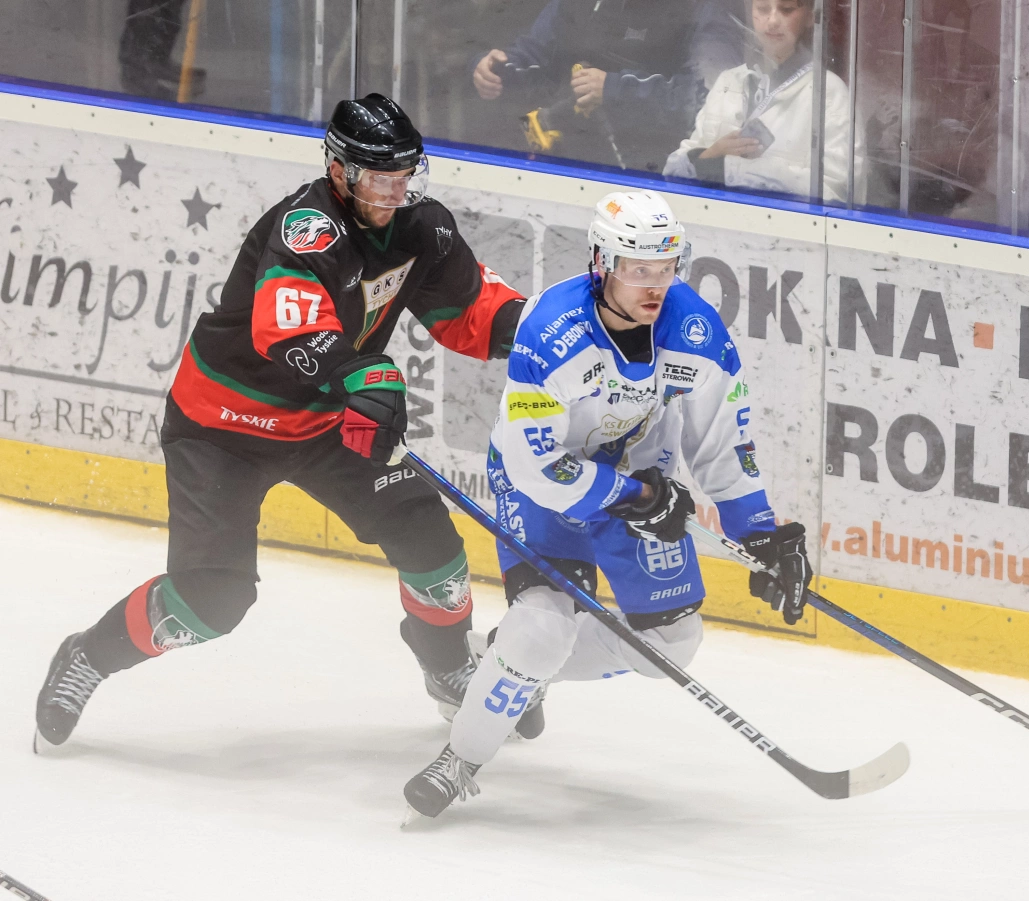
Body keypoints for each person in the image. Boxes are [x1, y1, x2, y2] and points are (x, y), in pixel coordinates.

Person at [34, 94, 531, 752]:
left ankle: (447, 667)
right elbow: (287, 329)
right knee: (211, 601)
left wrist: (545, 334)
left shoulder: (424, 228)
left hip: (324, 424)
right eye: (379, 178)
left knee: (429, 541)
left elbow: (471, 313)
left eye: (404, 175)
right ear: (339, 171)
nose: (395, 191)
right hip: (223, 428)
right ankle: (88, 655)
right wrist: (360, 373)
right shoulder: (307, 229)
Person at [401, 190, 813, 817]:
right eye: (639, 268)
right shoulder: (551, 330)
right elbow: (537, 465)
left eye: (667, 267)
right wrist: (635, 496)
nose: (656, 286)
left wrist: (759, 532)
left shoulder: (695, 330)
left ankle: (508, 667)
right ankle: (463, 757)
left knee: (672, 644)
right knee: (542, 628)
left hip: (641, 479)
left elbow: (722, 441)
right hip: (544, 483)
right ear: (602, 263)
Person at [469, 0, 743, 173]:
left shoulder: (703, 9)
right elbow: (535, 53)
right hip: (568, 165)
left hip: (652, 177)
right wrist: (493, 69)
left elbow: (712, 100)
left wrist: (615, 90)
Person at [663, 0, 852, 201]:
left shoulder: (829, 93)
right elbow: (673, 168)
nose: (772, 21)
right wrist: (710, 155)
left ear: (810, 16)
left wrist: (731, 168)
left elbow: (836, 193)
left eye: (786, 10)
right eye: (762, 9)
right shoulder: (729, 81)